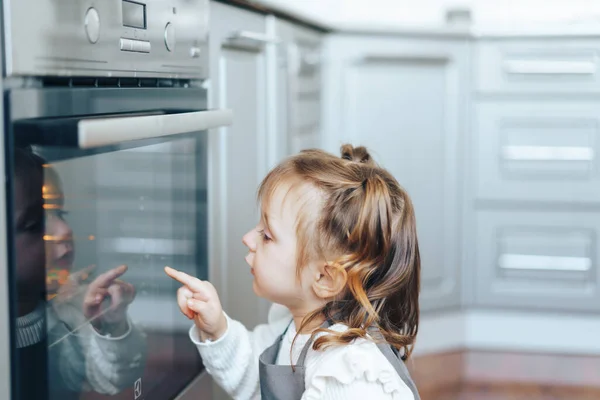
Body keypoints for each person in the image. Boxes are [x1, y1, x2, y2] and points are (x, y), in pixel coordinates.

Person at [166, 144, 421, 399]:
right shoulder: (296, 324)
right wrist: (216, 328)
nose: (247, 238)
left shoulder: (348, 374)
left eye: (266, 235)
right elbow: (253, 377)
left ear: (325, 278)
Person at [13, 147, 147, 399]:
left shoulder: (69, 308)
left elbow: (116, 377)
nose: (64, 229)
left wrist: (110, 327)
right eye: (34, 223)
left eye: (59, 213)